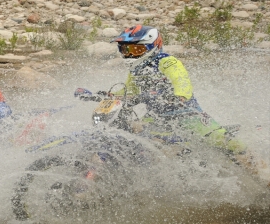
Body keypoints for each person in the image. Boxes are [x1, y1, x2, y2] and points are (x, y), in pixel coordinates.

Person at [80, 24, 264, 174]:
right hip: (155, 118)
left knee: (227, 143)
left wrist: (180, 96)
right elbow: (130, 92)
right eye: (125, 50)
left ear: (152, 47)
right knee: (132, 140)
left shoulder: (167, 62)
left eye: (135, 49)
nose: (129, 55)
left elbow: (181, 80)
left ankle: (262, 172)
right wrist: (103, 96)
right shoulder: (135, 71)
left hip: (187, 115)